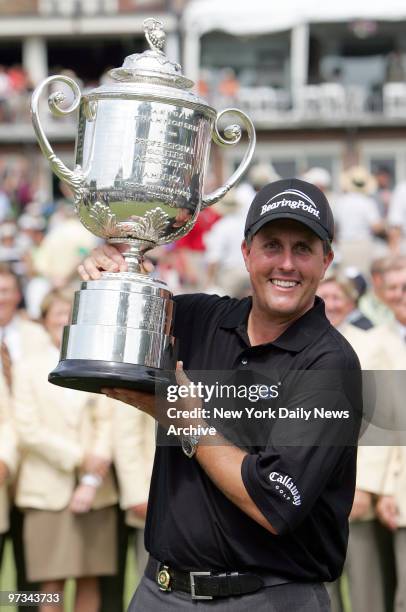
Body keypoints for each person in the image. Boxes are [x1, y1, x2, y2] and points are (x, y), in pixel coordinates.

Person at [79, 178, 362, 611]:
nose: (286, 263)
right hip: (161, 591)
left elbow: (272, 503)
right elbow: (101, 364)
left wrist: (186, 421)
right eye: (271, 246)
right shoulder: (197, 319)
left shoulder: (330, 365)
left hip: (268, 598)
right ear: (247, 253)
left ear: (327, 260)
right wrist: (114, 273)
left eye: (303, 248)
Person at [13, 288, 118, 612]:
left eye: (71, 315)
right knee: (50, 585)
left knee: (90, 579)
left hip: (96, 492)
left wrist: (92, 473)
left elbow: (109, 419)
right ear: (44, 320)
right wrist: (79, 458)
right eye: (57, 314)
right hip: (47, 492)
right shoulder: (26, 368)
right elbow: (28, 429)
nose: (64, 320)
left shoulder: (98, 363)